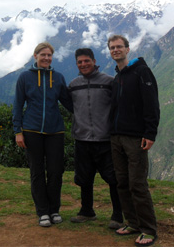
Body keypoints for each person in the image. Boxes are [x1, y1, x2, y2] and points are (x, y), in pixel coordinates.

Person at [12, 42, 73, 227]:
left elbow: (69, 103)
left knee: (55, 172)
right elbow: (17, 104)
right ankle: (43, 212)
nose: (46, 58)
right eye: (43, 55)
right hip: (31, 130)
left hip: (55, 130)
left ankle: (54, 210)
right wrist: (17, 131)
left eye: (49, 55)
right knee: (37, 172)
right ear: (35, 56)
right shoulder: (24, 77)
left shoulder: (59, 78)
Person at [108, 35, 160, 246]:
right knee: (122, 182)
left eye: (119, 47)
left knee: (137, 184)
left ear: (128, 49)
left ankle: (148, 229)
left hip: (135, 138)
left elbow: (151, 103)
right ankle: (133, 222)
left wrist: (150, 133)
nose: (115, 50)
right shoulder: (118, 77)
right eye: (112, 47)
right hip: (116, 137)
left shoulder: (141, 72)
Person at [68, 48, 124, 229]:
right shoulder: (74, 85)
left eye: (86, 61)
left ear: (94, 61)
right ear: (76, 64)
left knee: (113, 179)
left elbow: (118, 105)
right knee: (84, 178)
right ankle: (86, 211)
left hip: (105, 140)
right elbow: (71, 106)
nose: (83, 64)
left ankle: (117, 215)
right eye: (80, 62)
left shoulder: (109, 82)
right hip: (82, 140)